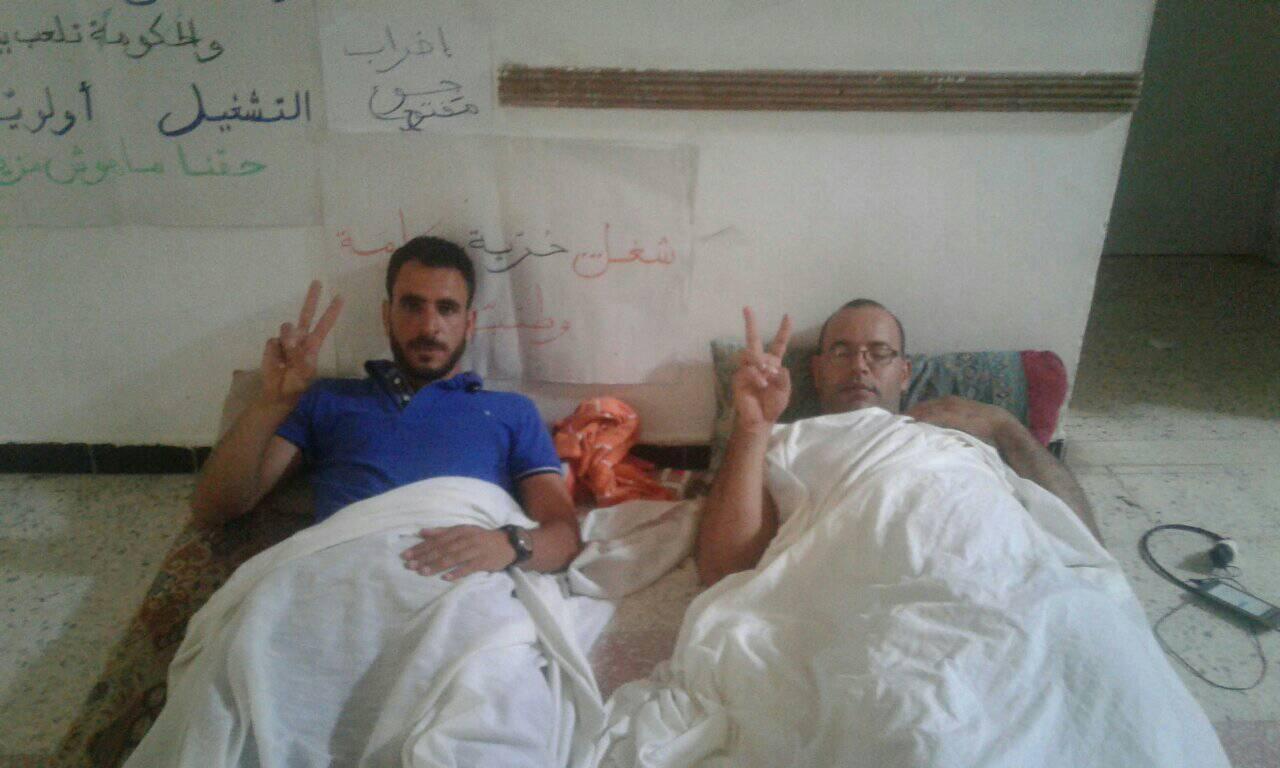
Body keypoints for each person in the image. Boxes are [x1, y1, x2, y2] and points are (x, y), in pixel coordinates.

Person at [192, 234, 581, 578]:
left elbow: (564, 538)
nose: (429, 327)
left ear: (469, 323)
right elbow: (216, 509)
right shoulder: (326, 399)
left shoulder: (514, 412)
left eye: (447, 308)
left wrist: (508, 546)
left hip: (461, 588)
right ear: (386, 315)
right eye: (412, 306)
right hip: (342, 581)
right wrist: (271, 403)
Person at [698, 299, 1102, 586]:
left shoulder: (957, 435)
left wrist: (1006, 427)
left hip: (1002, 580)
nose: (859, 366)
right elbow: (723, 571)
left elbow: (1084, 540)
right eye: (841, 352)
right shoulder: (787, 441)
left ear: (905, 373)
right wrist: (752, 429)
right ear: (817, 372)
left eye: (879, 353)